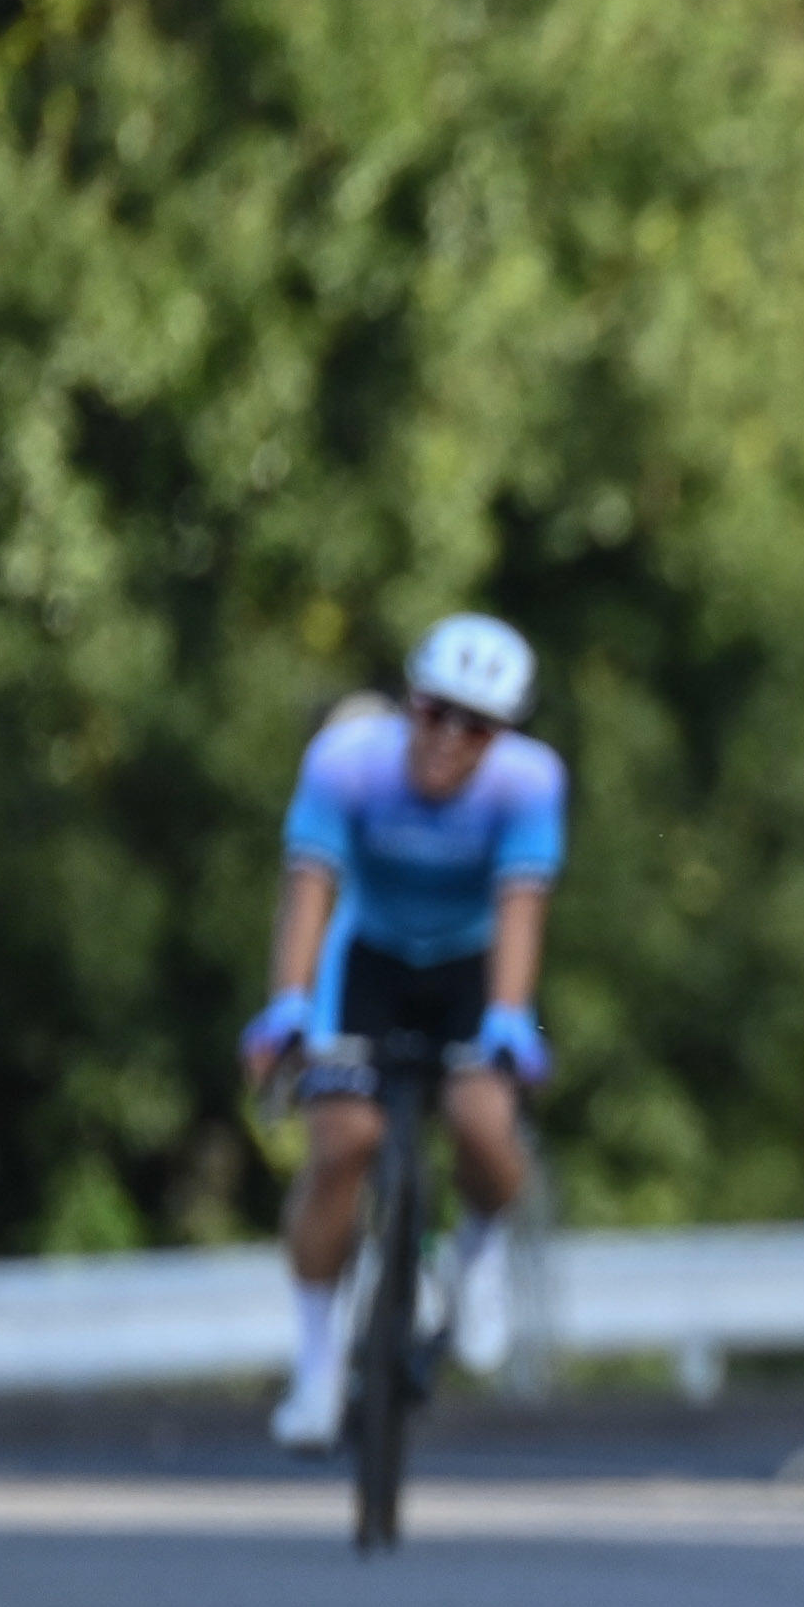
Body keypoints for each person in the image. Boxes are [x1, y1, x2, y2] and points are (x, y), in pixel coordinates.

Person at [237, 615, 565, 1449]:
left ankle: (477, 1251)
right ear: (407, 701)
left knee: (484, 1123)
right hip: (371, 957)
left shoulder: (529, 784)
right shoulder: (346, 762)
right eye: (434, 712)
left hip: (470, 966)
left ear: (504, 735)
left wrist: (506, 1021)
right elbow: (310, 885)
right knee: (342, 1138)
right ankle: (316, 1370)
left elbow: (519, 907)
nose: (449, 739)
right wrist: (288, 1005)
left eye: (478, 725)